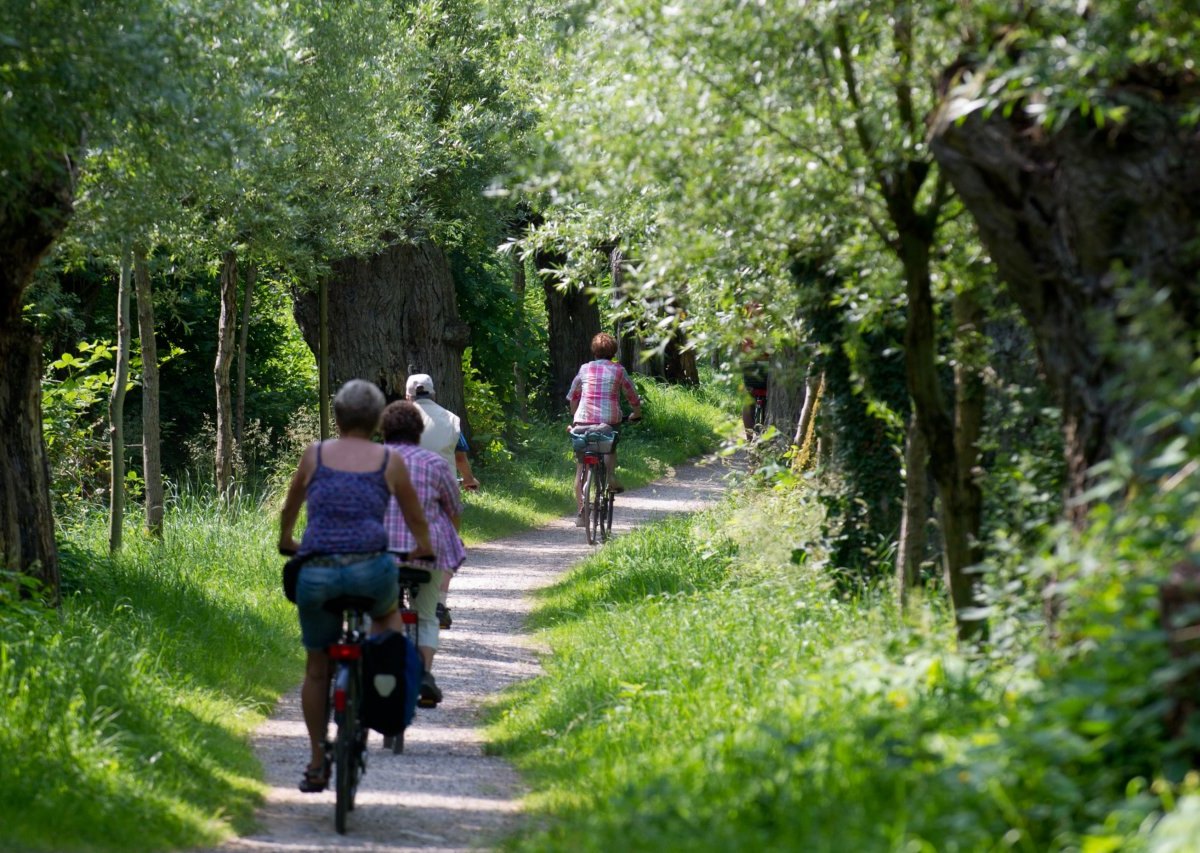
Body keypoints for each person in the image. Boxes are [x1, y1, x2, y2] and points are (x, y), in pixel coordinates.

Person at [278, 379, 434, 794]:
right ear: (378, 420)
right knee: (387, 623)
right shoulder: (388, 460)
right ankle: (377, 680)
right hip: (371, 570)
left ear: (338, 416)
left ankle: (316, 761)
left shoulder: (315, 454)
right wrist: (423, 548)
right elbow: (415, 517)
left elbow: (290, 505)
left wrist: (287, 540)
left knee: (316, 668)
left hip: (317, 572)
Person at [380, 400, 466, 709]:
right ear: (418, 432)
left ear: (384, 432)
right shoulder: (435, 464)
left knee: (380, 612)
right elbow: (454, 510)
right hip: (427, 554)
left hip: (382, 557)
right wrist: (452, 536)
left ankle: (381, 667)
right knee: (427, 616)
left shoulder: (371, 462)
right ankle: (425, 675)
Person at [405, 372, 476, 629]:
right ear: (433, 394)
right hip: (440, 494)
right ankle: (440, 603)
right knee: (448, 545)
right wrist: (469, 479)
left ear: (408, 396)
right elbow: (460, 459)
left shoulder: (397, 419)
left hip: (402, 494)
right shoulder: (451, 420)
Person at [567, 332, 642, 526]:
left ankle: (582, 512)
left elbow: (573, 395)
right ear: (613, 351)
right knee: (610, 444)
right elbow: (631, 394)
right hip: (609, 420)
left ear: (594, 351)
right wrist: (636, 412)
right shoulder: (618, 370)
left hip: (582, 421)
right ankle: (610, 476)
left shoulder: (584, 369)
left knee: (581, 467)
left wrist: (576, 417)